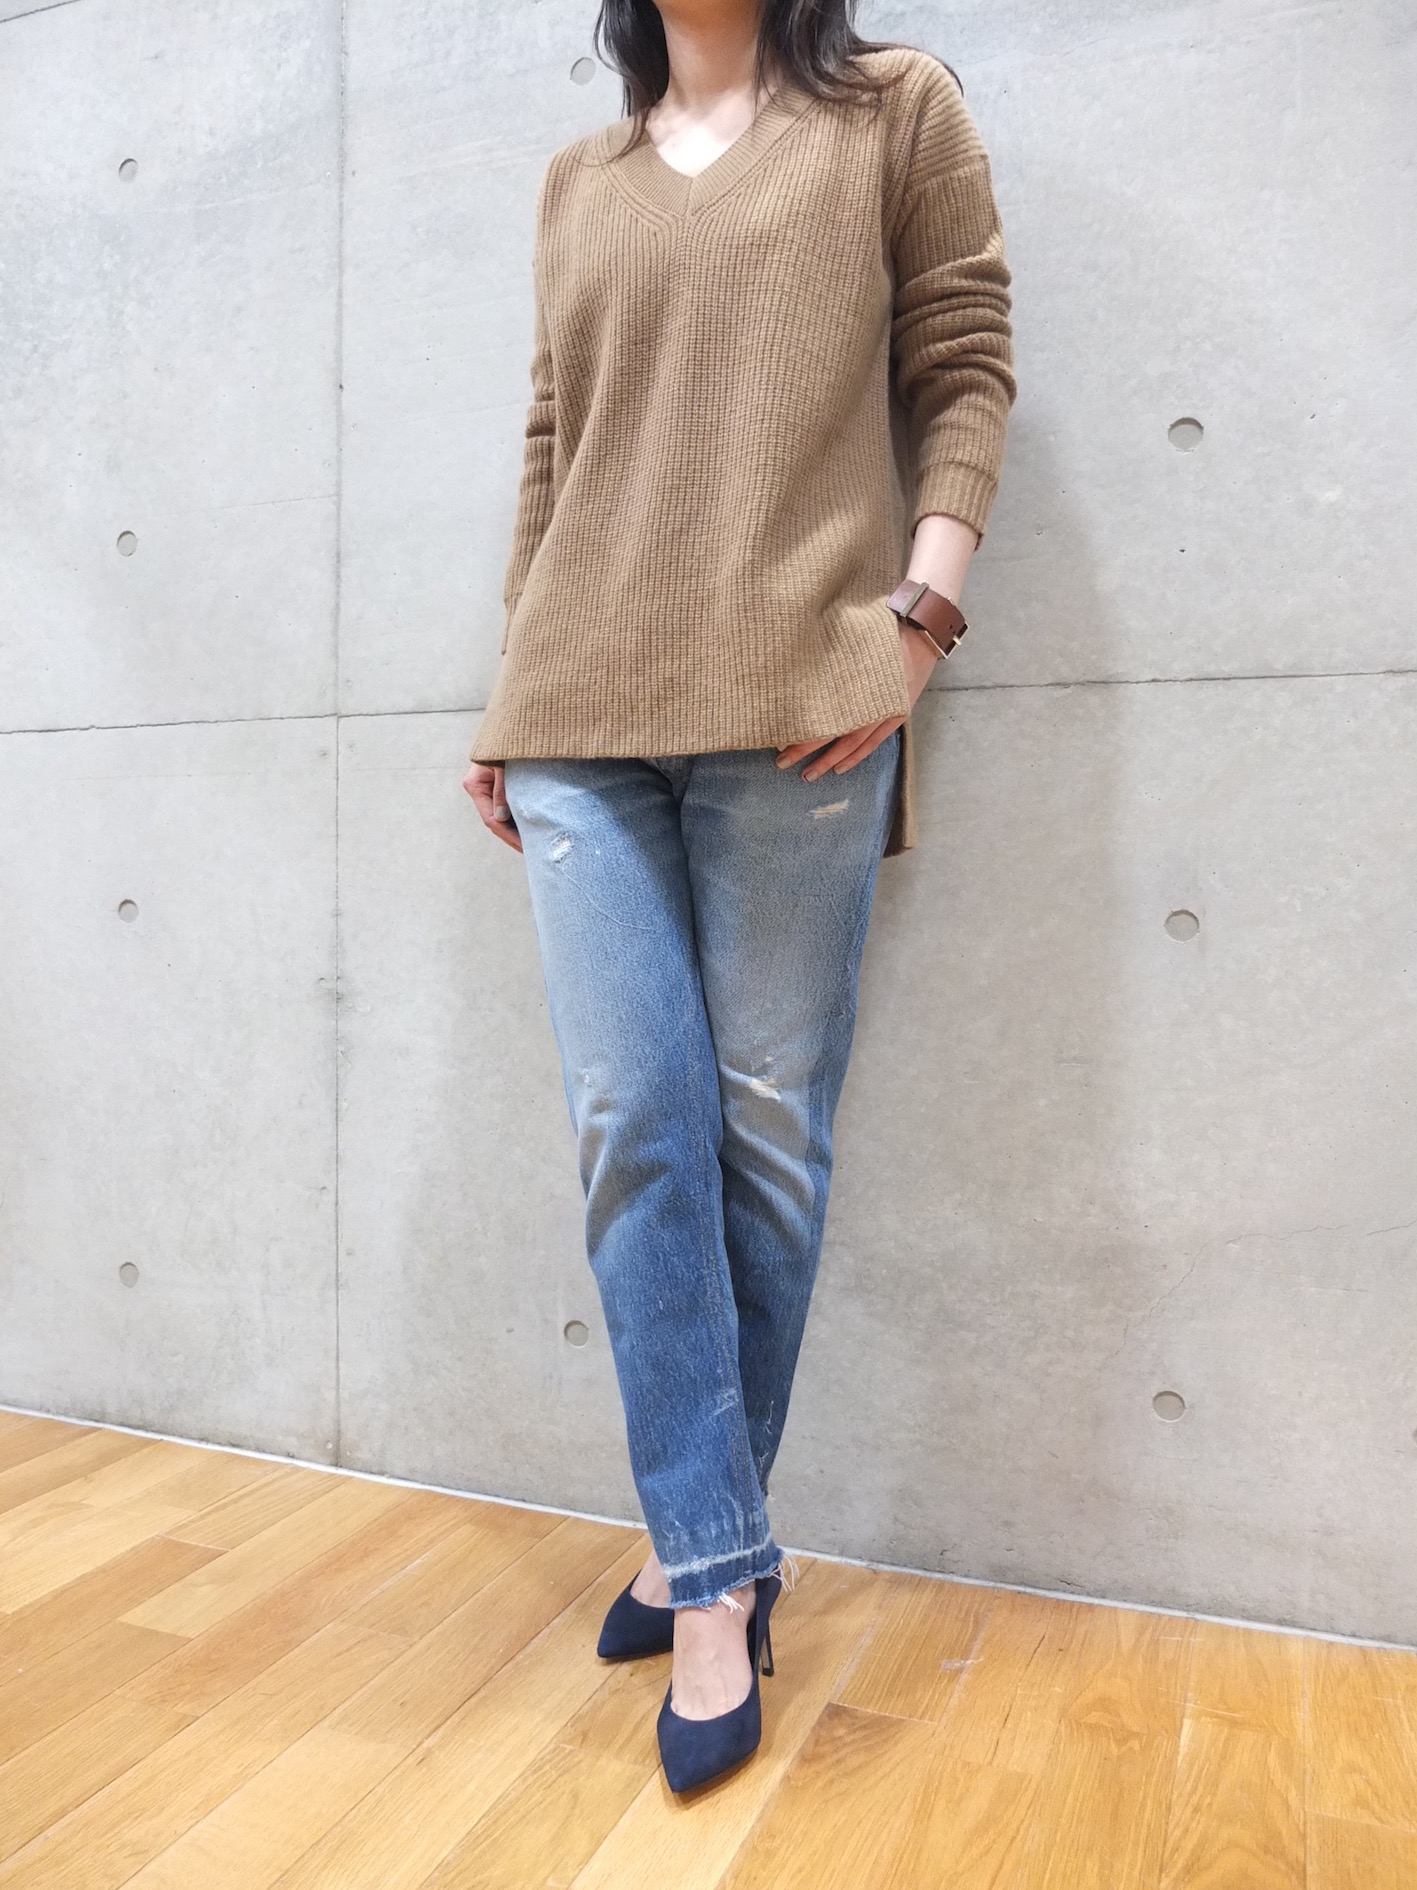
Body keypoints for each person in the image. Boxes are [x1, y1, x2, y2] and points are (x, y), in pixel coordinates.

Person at [463, 0, 1014, 1794]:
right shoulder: (580, 180)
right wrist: (506, 693)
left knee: (766, 1132)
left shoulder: (893, 112)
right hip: (575, 714)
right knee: (636, 1121)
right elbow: (554, 441)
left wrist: (916, 624)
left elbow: (963, 362)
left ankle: (694, 1547)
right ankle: (718, 1575)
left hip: (802, 707)